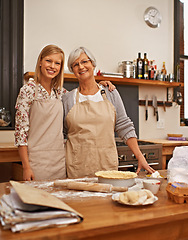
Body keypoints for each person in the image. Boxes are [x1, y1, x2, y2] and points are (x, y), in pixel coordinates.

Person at [15, 44, 114, 181]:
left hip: (60, 161)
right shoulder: (28, 91)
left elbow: (84, 93)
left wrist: (99, 85)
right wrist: (26, 167)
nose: (52, 66)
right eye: (48, 61)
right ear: (40, 62)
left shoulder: (61, 93)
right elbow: (21, 133)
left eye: (57, 63)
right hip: (36, 160)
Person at [62, 47, 155, 179]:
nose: (81, 67)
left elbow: (124, 126)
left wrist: (140, 156)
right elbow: (61, 133)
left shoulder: (110, 93)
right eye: (75, 64)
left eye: (84, 62)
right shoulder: (67, 99)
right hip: (77, 168)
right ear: (72, 70)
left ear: (93, 64)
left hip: (107, 167)